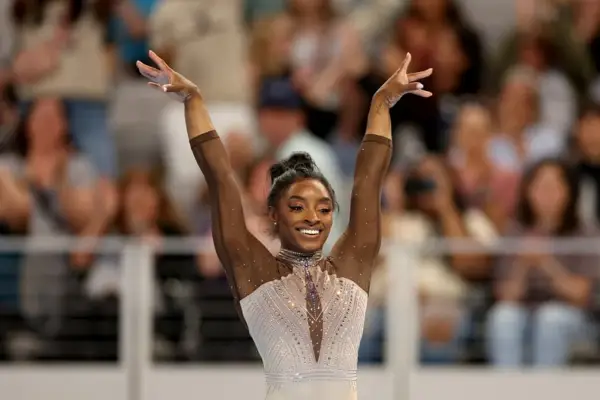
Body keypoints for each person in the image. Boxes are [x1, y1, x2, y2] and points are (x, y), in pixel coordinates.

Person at [137, 50, 432, 399]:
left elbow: (368, 182)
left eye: (324, 209)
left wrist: (382, 102)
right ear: (274, 215)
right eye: (298, 206)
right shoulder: (256, 274)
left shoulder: (352, 268)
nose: (313, 217)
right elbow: (221, 180)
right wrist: (193, 100)